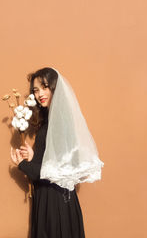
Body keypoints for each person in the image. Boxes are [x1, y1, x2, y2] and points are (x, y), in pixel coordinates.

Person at [10, 67, 103, 238]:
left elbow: (59, 170)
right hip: (48, 199)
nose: (40, 94)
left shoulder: (61, 123)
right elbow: (51, 163)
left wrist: (23, 165)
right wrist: (33, 156)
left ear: (55, 87)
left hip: (56, 202)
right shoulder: (49, 122)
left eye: (45, 87)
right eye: (36, 90)